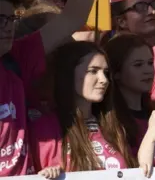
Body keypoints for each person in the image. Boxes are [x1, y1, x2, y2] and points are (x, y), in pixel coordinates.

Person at [0, 0, 120, 177]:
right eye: (0, 19)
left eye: (11, 19)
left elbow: (72, 17)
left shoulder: (18, 57)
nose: (7, 27)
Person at [28, 42, 137, 176]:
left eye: (106, 72)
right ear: (68, 73)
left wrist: (150, 139)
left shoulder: (113, 125)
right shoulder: (46, 127)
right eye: (93, 71)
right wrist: (47, 174)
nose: (104, 80)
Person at [104, 34, 155, 168]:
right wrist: (150, 136)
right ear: (116, 73)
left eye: (150, 63)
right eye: (138, 65)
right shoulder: (110, 122)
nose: (148, 70)